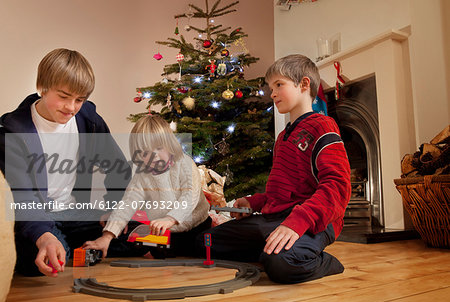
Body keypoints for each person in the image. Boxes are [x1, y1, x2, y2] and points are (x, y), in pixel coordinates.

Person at [196, 54, 351, 284]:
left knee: (283, 264)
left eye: (279, 85)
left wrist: (297, 222)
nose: (273, 93)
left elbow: (337, 187)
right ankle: (269, 249)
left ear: (304, 84)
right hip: (275, 219)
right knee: (204, 241)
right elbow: (280, 193)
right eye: (271, 87)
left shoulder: (323, 126)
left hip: (313, 222)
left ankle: (325, 262)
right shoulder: (282, 138)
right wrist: (254, 202)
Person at [0, 48, 136, 277]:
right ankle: (64, 247)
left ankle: (75, 248)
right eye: (63, 97)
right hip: (37, 215)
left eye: (79, 100)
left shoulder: (89, 121)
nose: (71, 108)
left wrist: (113, 208)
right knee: (38, 260)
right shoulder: (13, 133)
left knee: (135, 233)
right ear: (42, 87)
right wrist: (44, 236)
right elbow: (23, 198)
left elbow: (118, 168)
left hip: (75, 213)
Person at [83, 115, 211, 259]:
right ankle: (102, 245)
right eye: (146, 153)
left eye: (159, 148)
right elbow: (128, 203)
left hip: (194, 224)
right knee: (124, 232)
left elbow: (189, 199)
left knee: (186, 246)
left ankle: (160, 249)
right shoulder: (142, 175)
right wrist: (107, 236)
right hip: (162, 227)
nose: (154, 156)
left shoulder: (185, 164)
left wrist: (170, 219)